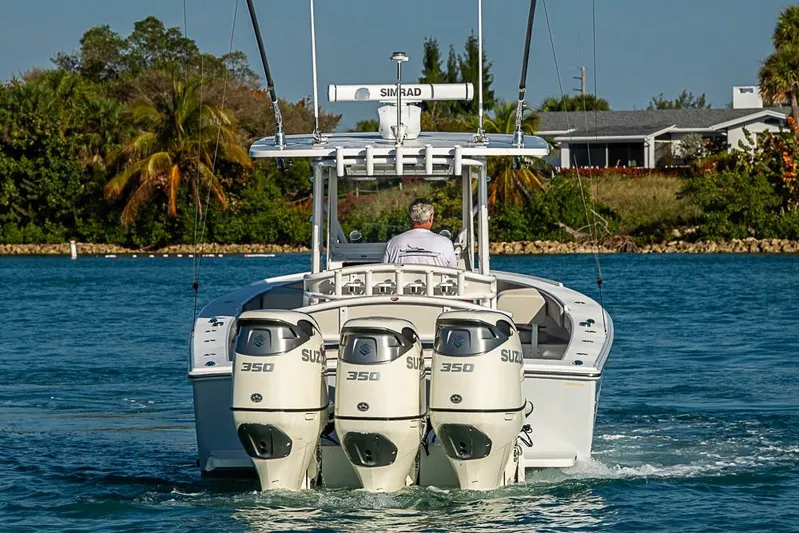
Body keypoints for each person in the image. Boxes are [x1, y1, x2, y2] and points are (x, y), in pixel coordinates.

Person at [383, 198, 457, 267]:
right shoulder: (445, 243)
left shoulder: (393, 242)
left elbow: (383, 273)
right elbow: (455, 274)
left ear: (410, 218)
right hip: (435, 281)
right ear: (431, 218)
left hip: (402, 281)